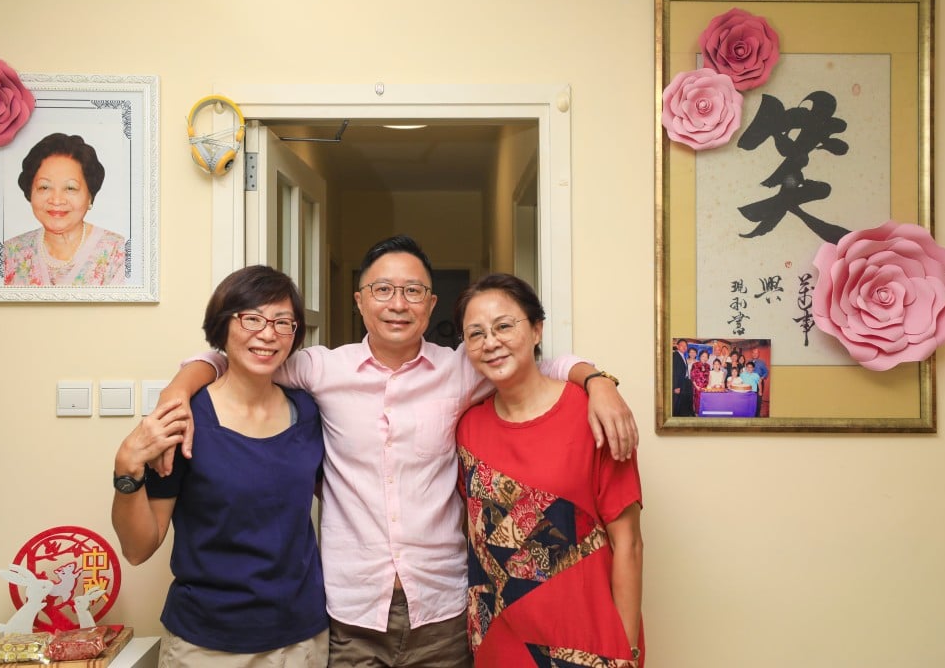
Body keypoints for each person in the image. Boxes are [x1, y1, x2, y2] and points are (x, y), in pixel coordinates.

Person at [154, 235, 638, 667]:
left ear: (430, 304)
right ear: (360, 301)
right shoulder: (321, 369)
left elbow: (537, 361)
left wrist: (596, 381)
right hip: (350, 612)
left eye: (412, 291)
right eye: (382, 290)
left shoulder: (462, 369)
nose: (397, 303)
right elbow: (237, 354)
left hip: (442, 611)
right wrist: (181, 384)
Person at [111, 265, 328, 666]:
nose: (268, 333)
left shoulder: (308, 411)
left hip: (301, 638)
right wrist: (126, 470)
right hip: (207, 643)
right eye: (252, 318)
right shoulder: (184, 419)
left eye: (283, 322)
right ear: (223, 325)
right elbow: (139, 548)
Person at [454, 273, 644, 667]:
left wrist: (627, 652)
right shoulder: (468, 428)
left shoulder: (592, 414)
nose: (490, 342)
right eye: (476, 334)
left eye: (504, 326)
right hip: (498, 642)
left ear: (537, 330)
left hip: (587, 645)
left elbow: (629, 544)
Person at [3, 132, 126, 286]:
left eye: (70, 188)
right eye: (44, 187)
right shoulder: (8, 254)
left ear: (90, 196)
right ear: (30, 192)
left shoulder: (119, 254)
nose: (56, 200)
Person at [671, 338, 692, 416]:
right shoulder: (674, 355)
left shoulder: (683, 356)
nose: (684, 347)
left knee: (681, 402)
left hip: (684, 382)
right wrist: (675, 386)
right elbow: (674, 372)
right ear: (677, 346)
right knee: (676, 403)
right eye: (682, 345)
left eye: (685, 346)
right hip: (678, 384)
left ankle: (680, 416)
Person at [689, 349, 711, 415]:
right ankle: (696, 415)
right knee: (697, 402)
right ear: (700, 356)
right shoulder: (695, 365)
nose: (705, 358)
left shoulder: (708, 366)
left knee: (705, 402)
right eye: (703, 356)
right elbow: (692, 377)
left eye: (706, 357)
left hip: (705, 388)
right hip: (697, 388)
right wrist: (696, 387)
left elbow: (709, 377)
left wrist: (708, 386)